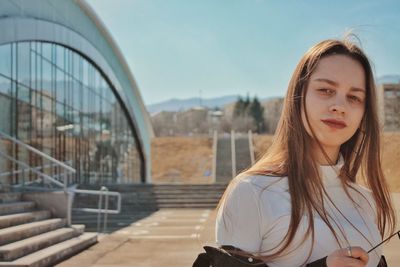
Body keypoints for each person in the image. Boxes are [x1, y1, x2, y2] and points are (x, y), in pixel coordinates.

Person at [215, 38, 397, 267]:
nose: (339, 105)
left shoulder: (367, 201)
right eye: (325, 90)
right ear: (298, 97)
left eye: (354, 97)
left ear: (363, 113)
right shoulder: (251, 192)